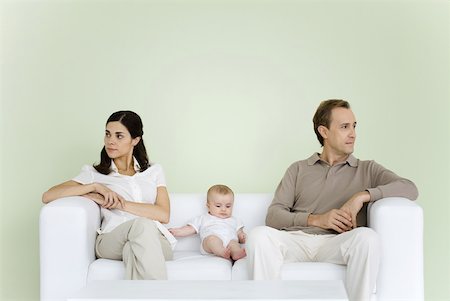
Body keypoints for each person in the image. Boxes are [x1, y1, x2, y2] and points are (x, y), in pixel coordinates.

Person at [246, 99, 418, 301]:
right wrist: (317, 219)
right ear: (324, 132)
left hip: (337, 243)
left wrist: (362, 195)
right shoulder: (298, 169)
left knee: (367, 238)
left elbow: (410, 188)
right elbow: (273, 216)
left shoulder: (367, 169)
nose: (353, 133)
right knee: (259, 236)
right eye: (344, 127)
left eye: (354, 126)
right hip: (297, 240)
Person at [42, 110, 175, 280]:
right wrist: (95, 186)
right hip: (111, 239)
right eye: (107, 134)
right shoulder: (93, 173)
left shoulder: (154, 171)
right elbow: (48, 196)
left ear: (135, 140)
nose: (110, 141)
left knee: (134, 246)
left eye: (119, 136)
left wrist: (120, 203)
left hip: (155, 239)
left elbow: (163, 214)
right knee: (142, 226)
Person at [169, 184, 247, 260]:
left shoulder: (235, 220)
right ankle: (221, 251)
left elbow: (239, 233)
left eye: (228, 206)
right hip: (209, 244)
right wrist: (176, 231)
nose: (223, 209)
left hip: (229, 241)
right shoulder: (203, 218)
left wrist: (242, 237)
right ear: (208, 206)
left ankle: (236, 253)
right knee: (212, 240)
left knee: (234, 244)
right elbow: (190, 229)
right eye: (218, 206)